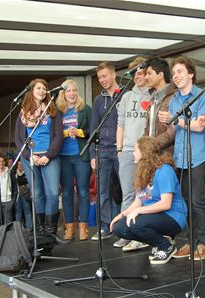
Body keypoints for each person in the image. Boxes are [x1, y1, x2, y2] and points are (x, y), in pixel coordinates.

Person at [158, 56, 205, 261]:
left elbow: (199, 126)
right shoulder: (174, 100)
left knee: (197, 201)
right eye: (174, 73)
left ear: (191, 73)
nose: (176, 76)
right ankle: (191, 242)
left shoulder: (203, 96)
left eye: (180, 71)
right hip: (179, 157)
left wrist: (177, 120)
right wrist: (169, 122)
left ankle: (204, 243)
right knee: (185, 202)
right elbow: (176, 128)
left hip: (197, 156)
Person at [111, 136, 187, 265]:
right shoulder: (142, 171)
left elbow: (165, 204)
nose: (133, 153)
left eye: (135, 150)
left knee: (136, 224)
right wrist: (121, 215)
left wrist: (139, 211)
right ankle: (161, 241)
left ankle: (166, 246)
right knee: (119, 228)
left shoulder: (164, 170)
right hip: (152, 214)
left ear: (144, 152)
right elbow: (138, 201)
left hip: (173, 216)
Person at [15, 78, 66, 244]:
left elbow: (59, 136)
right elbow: (18, 139)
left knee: (52, 193)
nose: (42, 91)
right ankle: (41, 231)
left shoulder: (53, 110)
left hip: (49, 156)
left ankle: (51, 232)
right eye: (39, 88)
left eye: (44, 88)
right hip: (30, 157)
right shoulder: (23, 113)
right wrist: (31, 156)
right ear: (31, 91)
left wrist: (48, 155)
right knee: (37, 194)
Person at [114, 56, 152, 250]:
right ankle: (126, 232)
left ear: (147, 73)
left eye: (140, 72)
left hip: (145, 152)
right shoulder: (127, 96)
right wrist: (119, 149)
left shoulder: (153, 95)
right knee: (127, 193)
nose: (137, 76)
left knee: (145, 194)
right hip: (127, 151)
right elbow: (120, 125)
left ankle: (142, 233)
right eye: (134, 72)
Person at [90, 62, 126, 240]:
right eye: (99, 78)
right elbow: (93, 128)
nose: (102, 80)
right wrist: (92, 154)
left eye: (105, 76)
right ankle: (105, 227)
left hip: (121, 150)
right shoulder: (98, 100)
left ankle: (123, 227)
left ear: (114, 74)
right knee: (102, 191)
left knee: (124, 190)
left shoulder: (126, 95)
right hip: (102, 150)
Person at [56, 79, 92, 241]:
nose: (72, 93)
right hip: (63, 157)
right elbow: (53, 133)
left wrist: (79, 132)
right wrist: (64, 133)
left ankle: (83, 228)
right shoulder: (57, 112)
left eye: (74, 90)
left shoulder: (86, 110)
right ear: (63, 94)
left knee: (84, 192)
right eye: (68, 91)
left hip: (81, 156)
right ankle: (69, 228)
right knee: (67, 193)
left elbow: (93, 131)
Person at [143, 57, 176, 154]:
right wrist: (142, 145)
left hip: (166, 154)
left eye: (149, 73)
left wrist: (152, 145)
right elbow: (148, 128)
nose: (146, 77)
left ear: (160, 75)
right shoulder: (153, 97)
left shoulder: (174, 97)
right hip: (152, 152)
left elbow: (173, 130)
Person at [15, 160, 32, 230]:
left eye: (21, 164)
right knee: (18, 212)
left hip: (26, 195)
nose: (20, 166)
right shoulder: (14, 174)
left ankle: (29, 227)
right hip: (17, 196)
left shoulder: (28, 173)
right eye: (19, 164)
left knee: (27, 211)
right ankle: (18, 228)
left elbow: (29, 183)